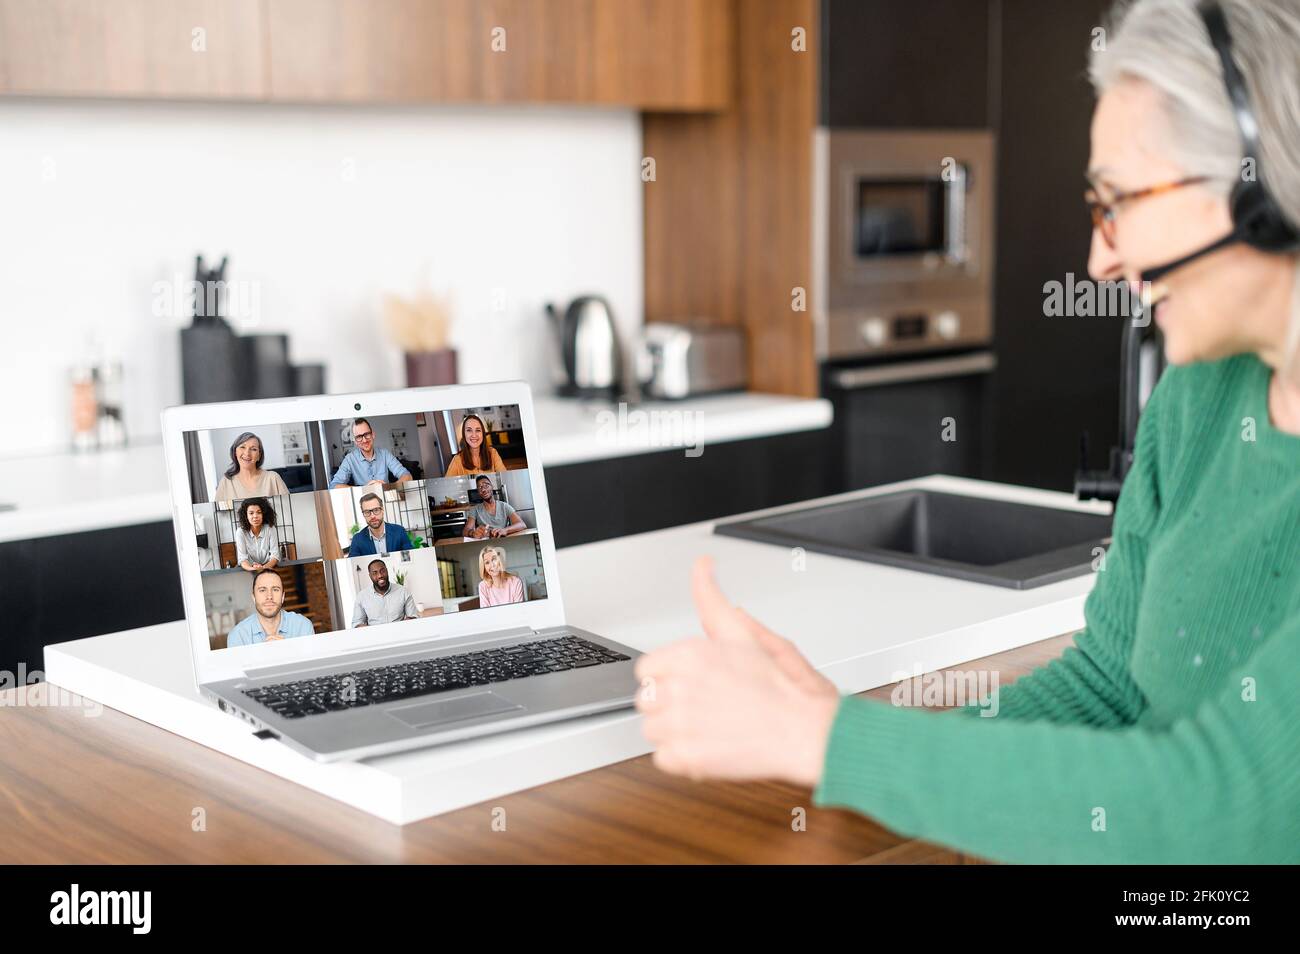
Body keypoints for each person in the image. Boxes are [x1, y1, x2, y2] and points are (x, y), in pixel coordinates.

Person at [634, 0, 1300, 863]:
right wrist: (848, 736)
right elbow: (1106, 688)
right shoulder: (1200, 394)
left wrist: (824, 742)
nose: (1099, 259)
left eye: (1118, 203)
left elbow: (1225, 813)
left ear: (1259, 185)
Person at [225, 567, 315, 647]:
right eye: (262, 590)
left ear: (283, 597)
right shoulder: (238, 636)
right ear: (254, 597)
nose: (269, 596)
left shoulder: (303, 626)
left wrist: (289, 651)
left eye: (275, 589)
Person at [329, 418, 412, 489]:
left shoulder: (385, 454)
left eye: (367, 434)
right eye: (359, 437)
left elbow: (407, 476)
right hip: (364, 501)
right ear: (355, 441)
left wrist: (387, 487)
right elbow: (333, 486)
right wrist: (365, 489)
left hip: (386, 496)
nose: (364, 440)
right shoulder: (349, 459)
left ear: (373, 434)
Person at [214, 432, 290, 504]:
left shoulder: (273, 478)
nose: (247, 453)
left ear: (259, 456)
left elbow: (289, 504)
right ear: (235, 453)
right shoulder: (225, 482)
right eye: (242, 447)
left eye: (253, 449)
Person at [352, 559, 419, 627]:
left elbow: (413, 616)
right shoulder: (361, 596)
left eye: (382, 571)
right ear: (370, 576)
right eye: (375, 573)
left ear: (387, 571)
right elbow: (357, 623)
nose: (380, 575)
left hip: (400, 633)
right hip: (375, 635)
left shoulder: (403, 591)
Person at [348, 492, 414, 556]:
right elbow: (352, 564)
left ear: (382, 510)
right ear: (363, 514)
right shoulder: (357, 539)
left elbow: (409, 557)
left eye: (376, 510)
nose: (372, 516)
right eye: (367, 512)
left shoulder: (399, 531)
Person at [234, 496, 280, 571]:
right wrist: (253, 569)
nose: (255, 516)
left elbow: (275, 556)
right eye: (251, 513)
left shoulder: (271, 529)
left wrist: (263, 568)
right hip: (248, 569)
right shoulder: (240, 532)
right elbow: (242, 559)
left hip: (268, 568)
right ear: (246, 515)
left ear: (264, 514)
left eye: (259, 512)